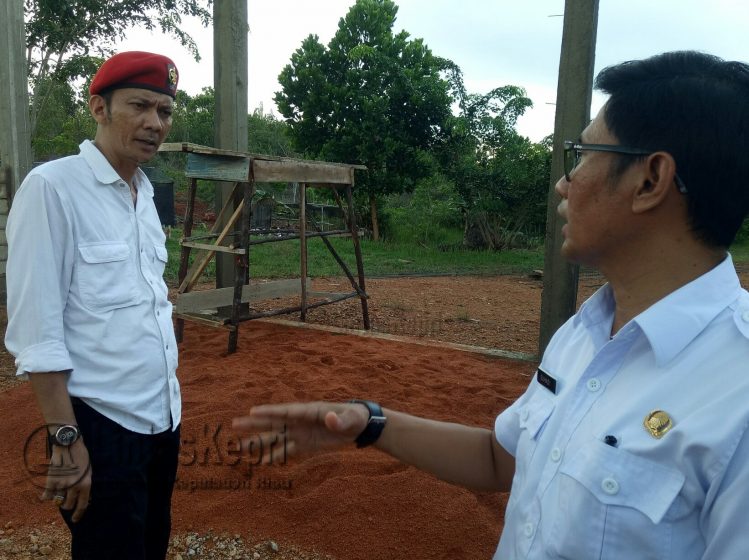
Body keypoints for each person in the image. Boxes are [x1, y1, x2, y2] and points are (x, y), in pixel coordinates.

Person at [232, 51, 749, 559]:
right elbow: (500, 459)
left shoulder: (736, 398)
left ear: (650, 180)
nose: (563, 184)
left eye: (585, 155)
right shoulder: (587, 332)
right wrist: (368, 422)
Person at [5, 51, 181, 560]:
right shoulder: (52, 189)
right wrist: (65, 438)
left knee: (151, 545)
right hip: (100, 425)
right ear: (98, 107)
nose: (154, 123)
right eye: (140, 106)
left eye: (164, 111)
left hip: (162, 419)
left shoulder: (144, 194)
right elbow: (38, 331)